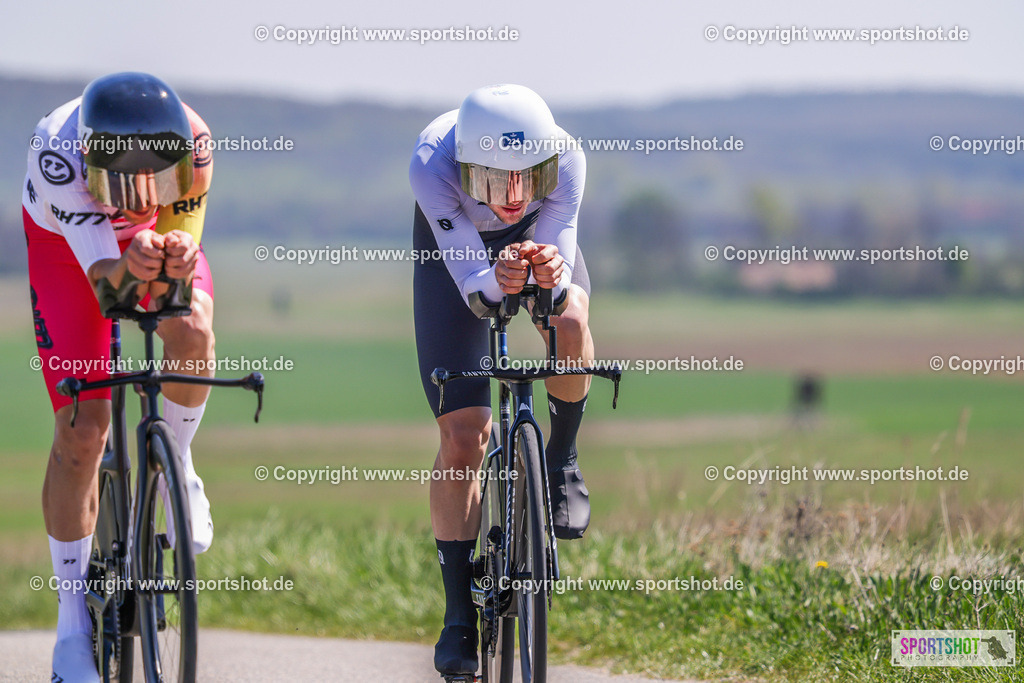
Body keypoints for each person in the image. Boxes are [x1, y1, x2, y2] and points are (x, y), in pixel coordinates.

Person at [24, 72, 216, 682]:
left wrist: (177, 253)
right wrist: (129, 262)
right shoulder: (60, 159)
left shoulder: (196, 143)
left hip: (147, 241)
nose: (138, 195)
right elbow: (108, 282)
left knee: (191, 325)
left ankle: (176, 463)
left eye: (152, 178)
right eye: (121, 182)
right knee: (84, 430)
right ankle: (71, 628)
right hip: (70, 246)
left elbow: (180, 250)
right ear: (91, 161)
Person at [409, 83, 595, 676]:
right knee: (464, 435)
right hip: (458, 256)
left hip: (536, 247)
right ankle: (459, 612)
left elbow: (560, 265)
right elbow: (475, 290)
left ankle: (561, 457)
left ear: (547, 163)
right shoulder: (432, 164)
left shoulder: (567, 158)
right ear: (466, 169)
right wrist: (498, 279)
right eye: (493, 181)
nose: (513, 198)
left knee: (568, 318)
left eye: (528, 179)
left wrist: (548, 275)